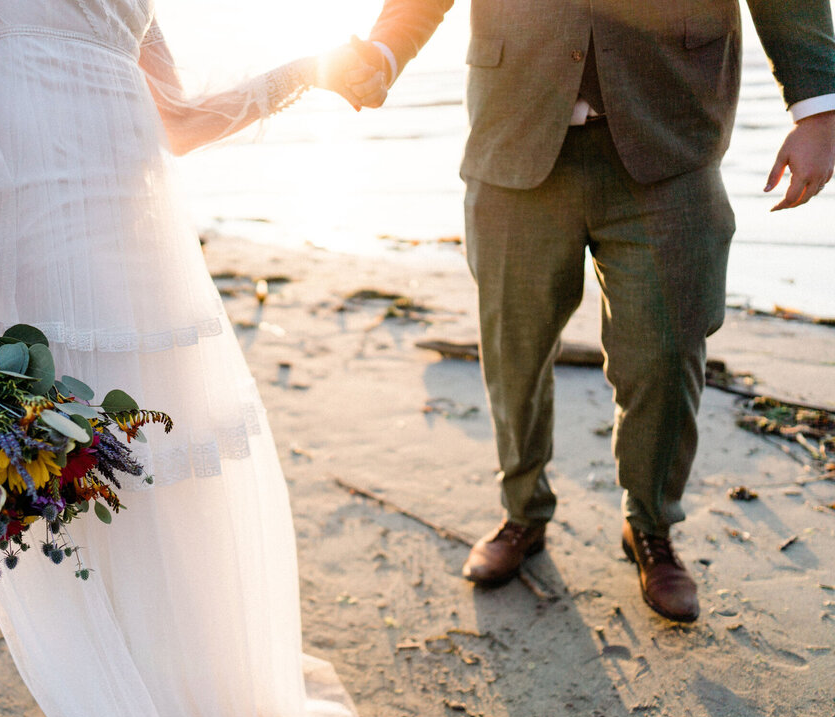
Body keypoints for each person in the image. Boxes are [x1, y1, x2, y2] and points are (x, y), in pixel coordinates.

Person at [0, 1, 381, 717]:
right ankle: (127, 700)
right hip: (36, 205)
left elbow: (177, 119)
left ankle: (180, 687)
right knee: (77, 452)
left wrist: (307, 73)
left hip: (135, 208)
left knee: (163, 444)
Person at [344, 0, 835, 622]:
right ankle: (522, 514)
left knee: (665, 353)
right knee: (512, 348)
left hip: (672, 140)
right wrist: (385, 54)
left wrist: (818, 109)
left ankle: (651, 528)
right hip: (514, 136)